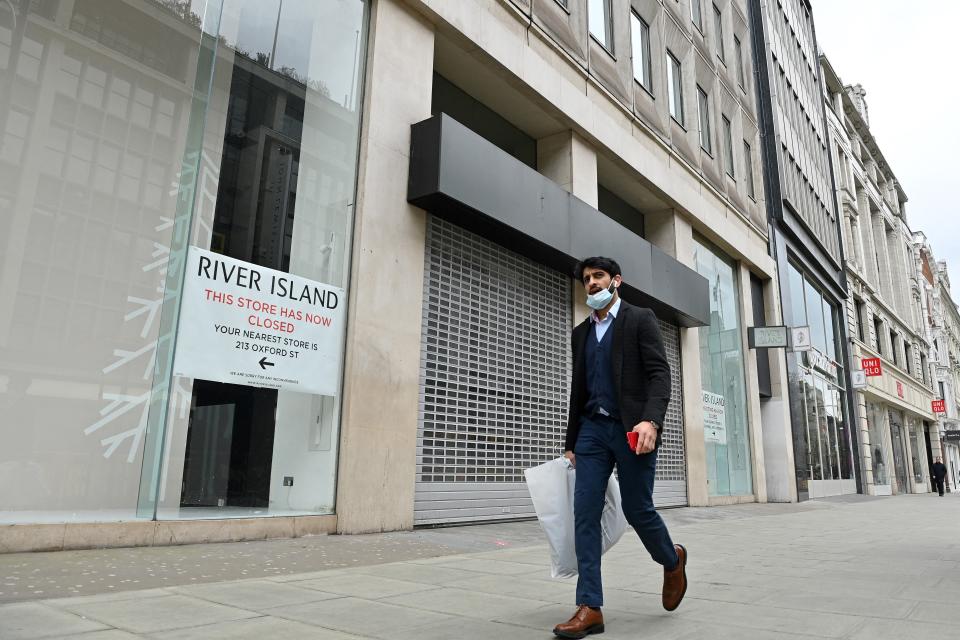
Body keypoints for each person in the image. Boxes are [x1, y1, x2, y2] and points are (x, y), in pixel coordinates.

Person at [553, 257, 687, 639]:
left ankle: (671, 558)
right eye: (586, 279)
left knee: (637, 508)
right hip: (592, 431)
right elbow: (579, 390)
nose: (591, 284)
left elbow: (660, 374)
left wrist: (651, 420)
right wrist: (570, 444)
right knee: (585, 512)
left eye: (598, 277)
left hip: (632, 429)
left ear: (616, 281)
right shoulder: (581, 333)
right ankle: (589, 606)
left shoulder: (639, 319)